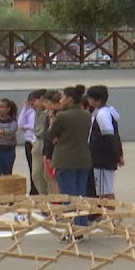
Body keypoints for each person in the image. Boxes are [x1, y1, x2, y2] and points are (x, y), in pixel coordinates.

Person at [48, 85, 93, 231]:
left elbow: (50, 134)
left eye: (63, 97)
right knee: (81, 194)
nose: (61, 100)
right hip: (83, 157)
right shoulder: (86, 115)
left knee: (69, 196)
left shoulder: (62, 116)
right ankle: (82, 224)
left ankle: (73, 227)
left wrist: (52, 122)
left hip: (66, 158)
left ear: (70, 99)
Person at [85, 85, 123, 200]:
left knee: (104, 192)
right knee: (104, 190)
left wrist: (117, 156)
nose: (88, 100)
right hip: (103, 158)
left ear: (98, 100)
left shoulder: (102, 115)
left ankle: (109, 215)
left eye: (90, 98)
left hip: (102, 159)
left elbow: (110, 137)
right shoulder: (105, 112)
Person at [34, 90, 61, 196]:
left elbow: (52, 136)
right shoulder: (48, 116)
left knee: (52, 179)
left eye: (47, 102)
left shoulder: (58, 117)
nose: (45, 105)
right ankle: (48, 200)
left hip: (54, 152)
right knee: (43, 176)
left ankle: (54, 202)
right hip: (47, 150)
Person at [21, 89, 44, 194]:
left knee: (40, 172)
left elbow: (37, 128)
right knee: (33, 169)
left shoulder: (43, 113)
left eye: (34, 101)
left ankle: (40, 192)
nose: (33, 104)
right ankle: (34, 191)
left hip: (37, 141)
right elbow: (20, 124)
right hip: (29, 141)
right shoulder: (30, 111)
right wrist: (24, 109)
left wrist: (27, 127)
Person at [0, 98, 19, 176]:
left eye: (2, 107)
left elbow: (12, 132)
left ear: (8, 109)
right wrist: (4, 133)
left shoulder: (13, 120)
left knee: (7, 172)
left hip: (8, 150)